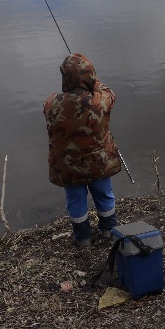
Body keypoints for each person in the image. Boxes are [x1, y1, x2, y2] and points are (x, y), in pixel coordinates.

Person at [44, 53, 122, 247]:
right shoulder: (100, 101)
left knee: (75, 201)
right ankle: (108, 230)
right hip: (99, 164)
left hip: (69, 168)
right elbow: (110, 93)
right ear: (90, 75)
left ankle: (83, 238)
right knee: (104, 195)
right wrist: (94, 83)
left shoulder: (51, 104)